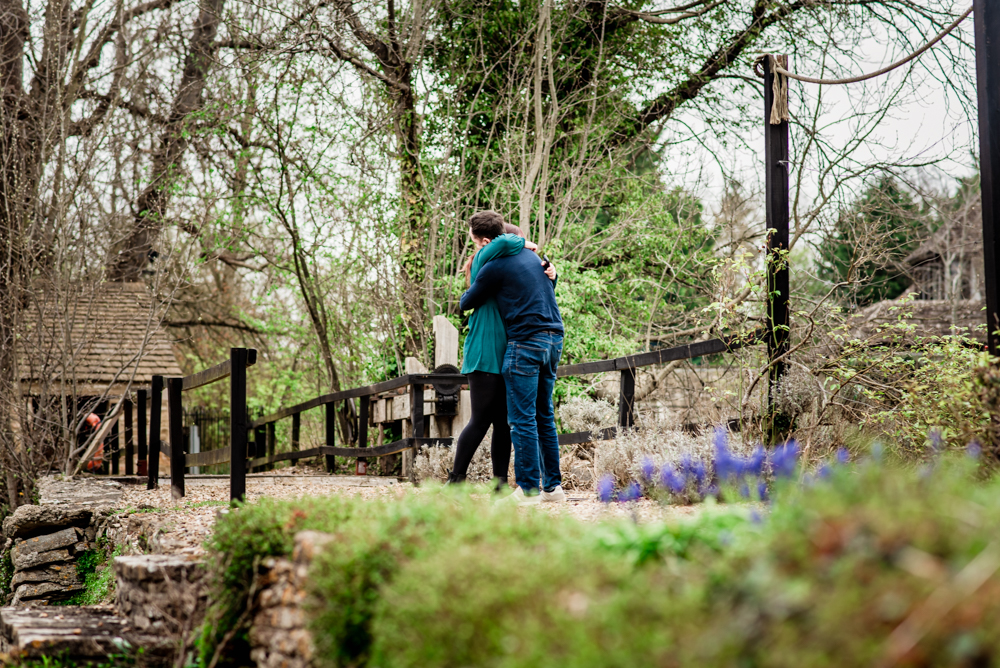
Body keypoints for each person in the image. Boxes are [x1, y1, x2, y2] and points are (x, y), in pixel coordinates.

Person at [460, 211, 566, 505]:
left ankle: (529, 489)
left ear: (487, 241)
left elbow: (467, 301)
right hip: (554, 337)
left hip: (526, 342)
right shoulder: (535, 259)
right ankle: (553, 488)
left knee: (520, 419)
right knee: (544, 414)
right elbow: (541, 289)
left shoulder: (494, 265)